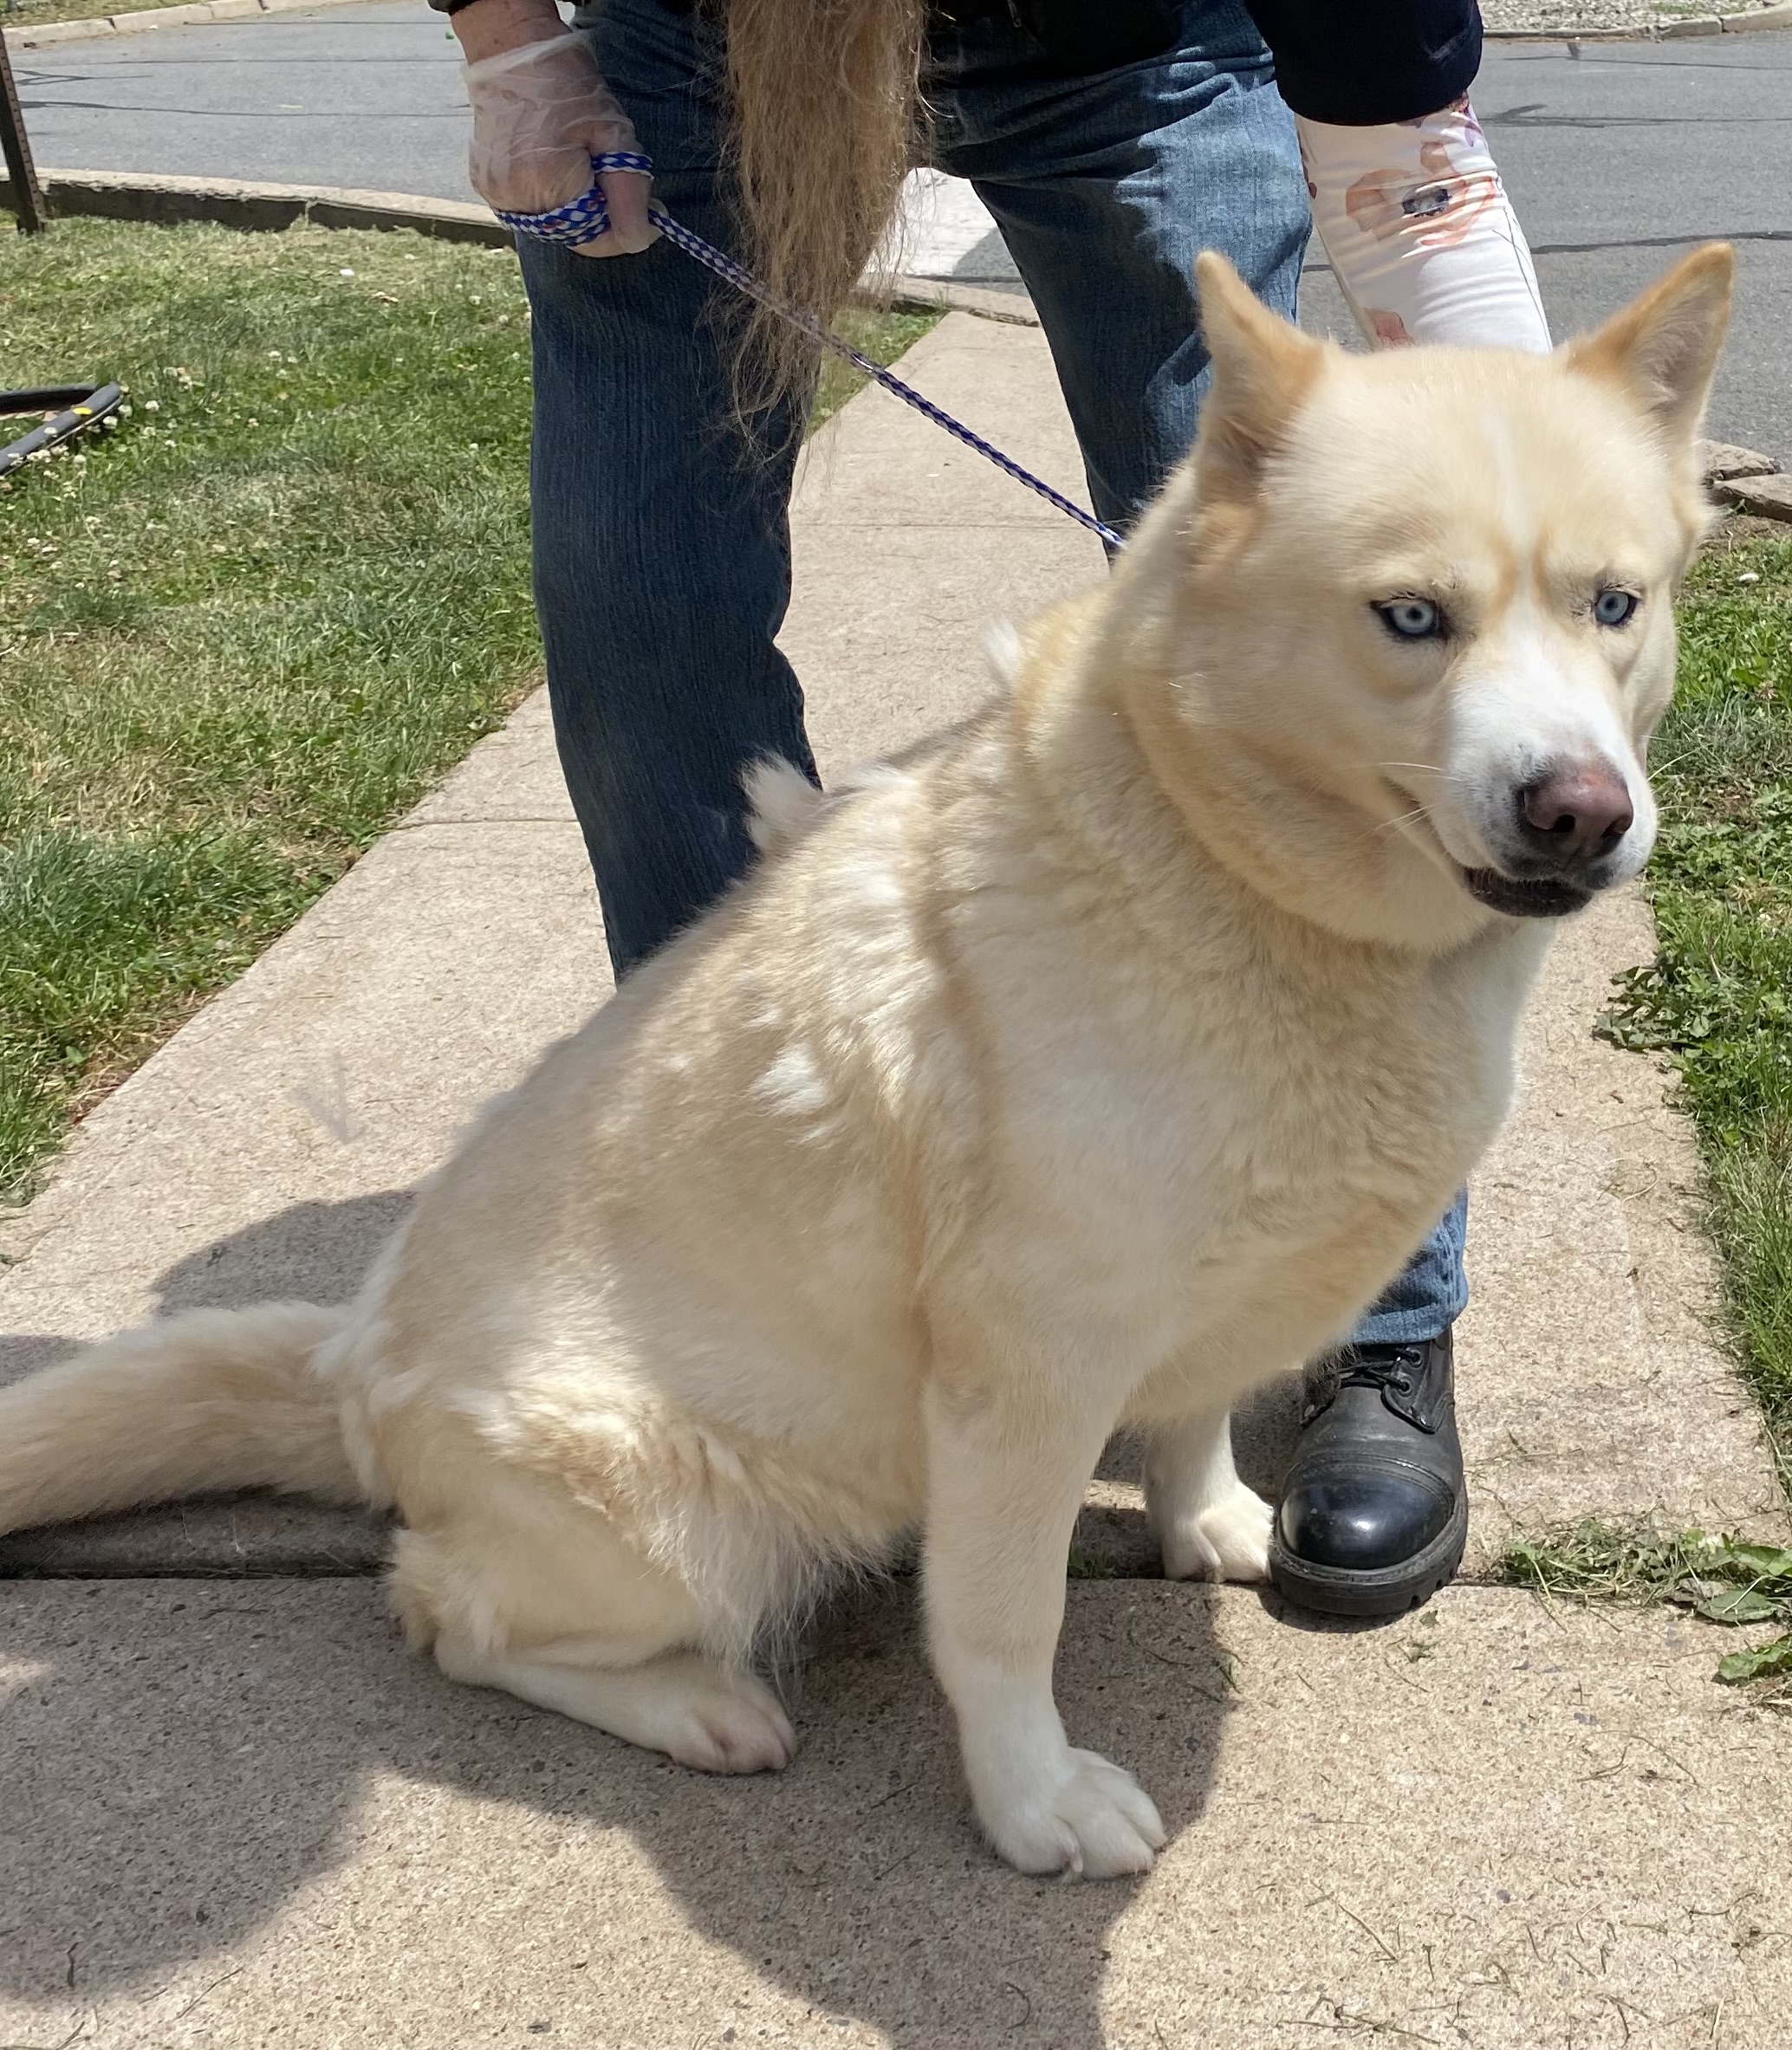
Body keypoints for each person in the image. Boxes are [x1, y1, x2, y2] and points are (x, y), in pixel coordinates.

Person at [434, 0, 1552, 1619]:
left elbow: (1397, 141)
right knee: (639, 616)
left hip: (1135, 43)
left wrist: (1518, 522)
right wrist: (511, 46)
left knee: (1308, 630)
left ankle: (1374, 1323)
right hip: (706, 42)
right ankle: (734, 1242)